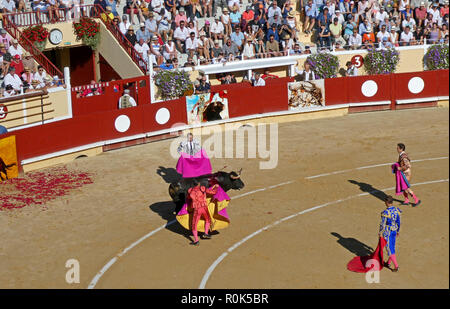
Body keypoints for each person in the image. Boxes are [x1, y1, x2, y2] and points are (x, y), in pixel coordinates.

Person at [379, 195, 401, 272]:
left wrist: (380, 232)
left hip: (387, 232)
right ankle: (388, 263)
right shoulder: (397, 210)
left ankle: (396, 266)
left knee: (389, 249)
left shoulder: (386, 212)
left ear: (387, 202)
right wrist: (398, 231)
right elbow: (398, 222)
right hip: (394, 230)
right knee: (392, 247)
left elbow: (382, 224)